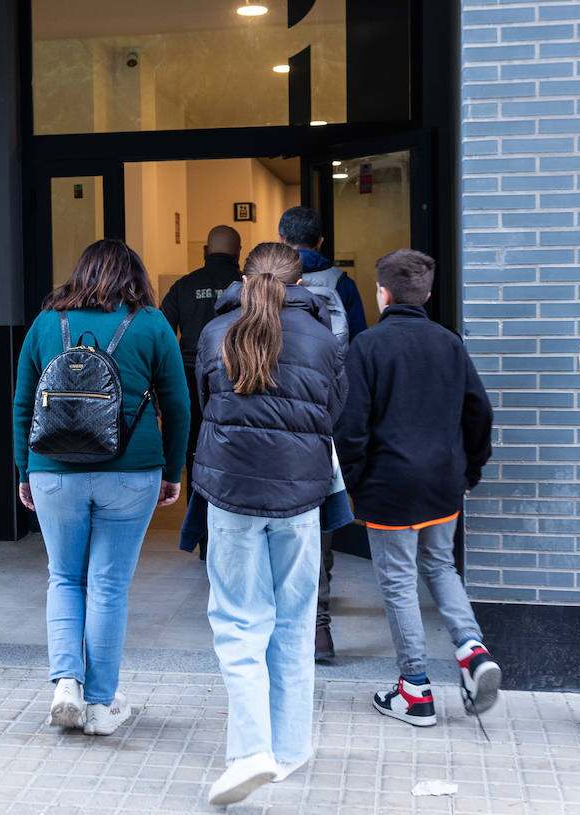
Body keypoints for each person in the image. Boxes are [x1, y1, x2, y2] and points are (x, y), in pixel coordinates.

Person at [12, 239, 189, 736]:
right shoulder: (151, 324)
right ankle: (101, 705)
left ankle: (66, 682)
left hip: (53, 471)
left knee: (65, 577)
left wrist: (26, 471)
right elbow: (177, 405)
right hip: (132, 472)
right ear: (136, 276)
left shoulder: (47, 323)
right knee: (109, 585)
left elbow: (23, 404)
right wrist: (173, 471)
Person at [192, 242, 345, 805]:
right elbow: (335, 412)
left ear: (243, 275)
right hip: (301, 495)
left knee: (238, 622)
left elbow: (205, 401)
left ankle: (250, 753)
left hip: (229, 491)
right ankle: (289, 747)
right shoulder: (324, 338)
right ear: (301, 279)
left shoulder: (215, 334)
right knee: (295, 619)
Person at [333, 249, 499, 728]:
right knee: (440, 566)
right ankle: (471, 651)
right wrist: (470, 471)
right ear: (426, 294)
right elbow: (479, 412)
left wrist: (355, 481)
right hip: (443, 483)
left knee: (399, 582)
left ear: (381, 293)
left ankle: (415, 691)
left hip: (389, 487)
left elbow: (352, 427)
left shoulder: (367, 347)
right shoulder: (449, 342)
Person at [277, 205, 365, 661]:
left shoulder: (266, 286)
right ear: (321, 242)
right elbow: (359, 350)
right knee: (320, 511)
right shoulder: (341, 285)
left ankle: (282, 622)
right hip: (327, 413)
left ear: (279, 237)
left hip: (272, 413)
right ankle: (319, 626)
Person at [160, 225, 244, 558]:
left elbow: (163, 334)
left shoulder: (184, 285)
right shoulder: (249, 286)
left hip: (188, 376)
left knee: (195, 454)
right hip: (238, 379)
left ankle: (204, 536)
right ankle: (233, 533)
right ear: (239, 251)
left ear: (206, 250)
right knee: (235, 452)